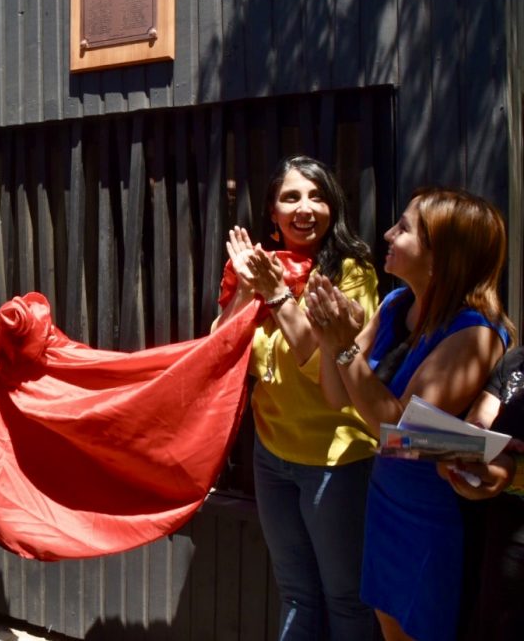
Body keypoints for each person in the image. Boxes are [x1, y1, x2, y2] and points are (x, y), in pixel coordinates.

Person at [307, 187, 514, 641]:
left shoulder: (475, 334)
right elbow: (335, 397)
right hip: (386, 499)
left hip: (434, 513)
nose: (387, 234)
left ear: (441, 257)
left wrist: (344, 347)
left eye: (403, 228)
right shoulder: (395, 303)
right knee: (389, 624)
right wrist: (329, 337)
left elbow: (399, 435)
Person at [214, 155, 379, 640]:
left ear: (333, 207)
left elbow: (318, 362)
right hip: (272, 454)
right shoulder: (263, 268)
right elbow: (220, 344)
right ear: (273, 212)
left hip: (336, 459)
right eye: (291, 197)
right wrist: (246, 289)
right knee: (296, 593)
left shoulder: (352, 273)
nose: (305, 208)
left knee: (345, 598)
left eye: (317, 196)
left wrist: (276, 294)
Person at [436, 347, 524, 641]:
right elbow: (479, 421)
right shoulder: (515, 361)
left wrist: (513, 471)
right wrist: (468, 447)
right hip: (501, 539)